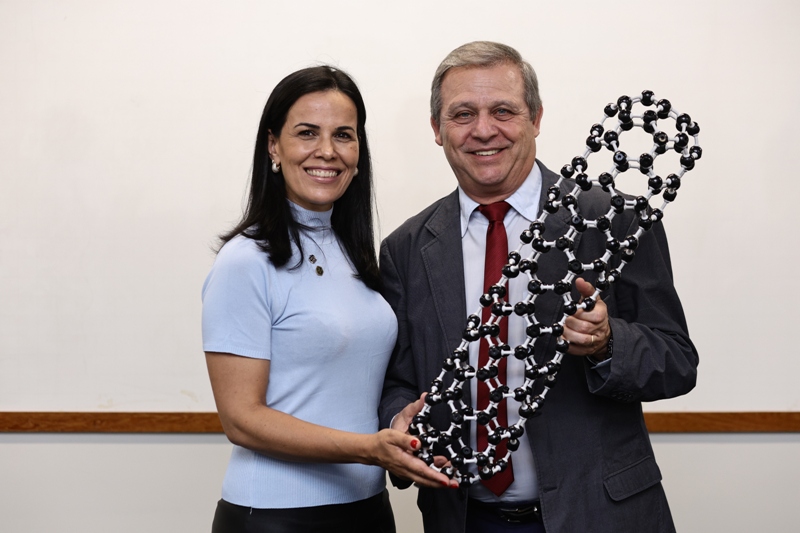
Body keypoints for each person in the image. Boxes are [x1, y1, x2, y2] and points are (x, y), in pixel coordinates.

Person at [379, 42, 699, 533]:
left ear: (536, 118)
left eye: (503, 111)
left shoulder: (615, 220)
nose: (483, 130)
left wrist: (608, 342)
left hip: (601, 516)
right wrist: (399, 421)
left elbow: (676, 361)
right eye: (462, 114)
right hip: (464, 519)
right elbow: (398, 379)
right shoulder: (406, 248)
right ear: (437, 130)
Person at [202, 65, 454, 533]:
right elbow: (241, 420)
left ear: (359, 152)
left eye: (343, 135)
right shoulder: (245, 261)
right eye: (307, 133)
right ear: (273, 146)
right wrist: (367, 448)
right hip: (275, 517)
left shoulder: (355, 253)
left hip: (367, 508)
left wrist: (397, 423)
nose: (327, 151)